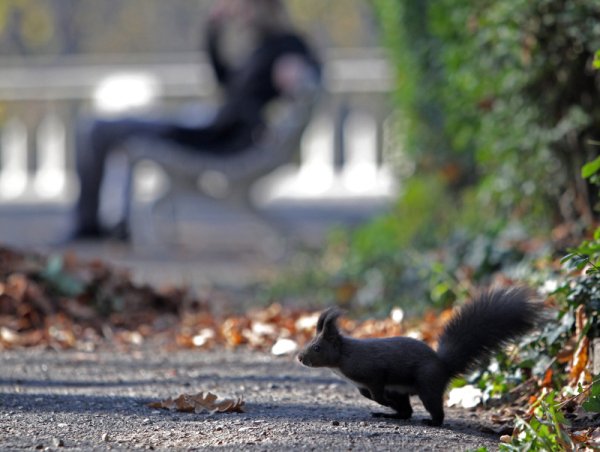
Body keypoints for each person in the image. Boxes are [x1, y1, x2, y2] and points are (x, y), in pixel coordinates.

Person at [68, 0, 321, 241]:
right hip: (212, 133)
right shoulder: (262, 47)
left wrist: (298, 76)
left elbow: (305, 73)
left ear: (263, 7)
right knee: (99, 129)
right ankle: (102, 224)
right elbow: (226, 83)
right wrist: (213, 32)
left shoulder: (286, 47)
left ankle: (90, 226)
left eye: (244, 5)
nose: (238, 11)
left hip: (219, 141)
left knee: (98, 130)